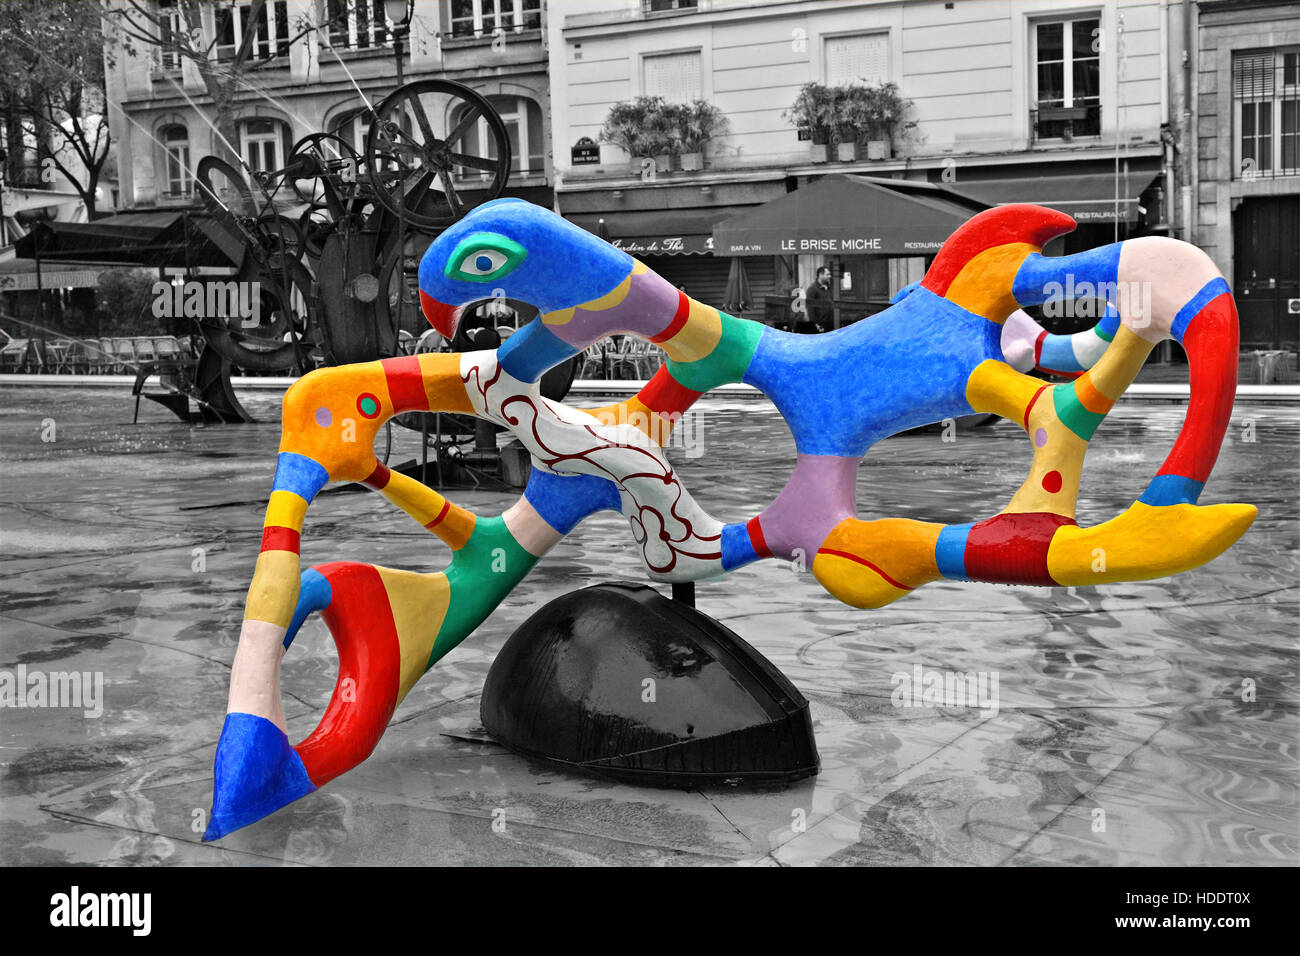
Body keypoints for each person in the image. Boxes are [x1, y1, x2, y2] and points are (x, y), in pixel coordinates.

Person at [798, 266, 833, 334]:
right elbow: (810, 308)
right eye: (827, 274)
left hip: (830, 324)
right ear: (820, 275)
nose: (830, 276)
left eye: (830, 274)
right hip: (820, 326)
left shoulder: (829, 287)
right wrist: (815, 324)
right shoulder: (812, 289)